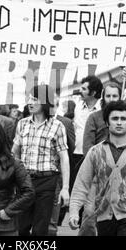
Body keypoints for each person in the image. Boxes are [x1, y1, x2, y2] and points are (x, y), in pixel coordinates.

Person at [79, 67, 126, 236]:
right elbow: (87, 147)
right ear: (103, 97)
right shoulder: (94, 117)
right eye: (108, 96)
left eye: (115, 96)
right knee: (89, 218)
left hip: (125, 179)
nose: (111, 99)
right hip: (98, 177)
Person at [12, 84, 70, 236]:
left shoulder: (57, 126)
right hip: (24, 180)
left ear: (45, 102)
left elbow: (64, 158)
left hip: (47, 181)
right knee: (21, 227)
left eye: (35, 99)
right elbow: (15, 153)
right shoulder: (22, 124)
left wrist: (65, 188)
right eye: (29, 98)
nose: (30, 102)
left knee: (41, 229)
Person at [49, 94, 76, 236]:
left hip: (56, 175)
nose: (50, 108)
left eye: (53, 105)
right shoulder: (27, 122)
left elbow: (70, 149)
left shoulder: (65, 122)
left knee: (52, 221)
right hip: (34, 177)